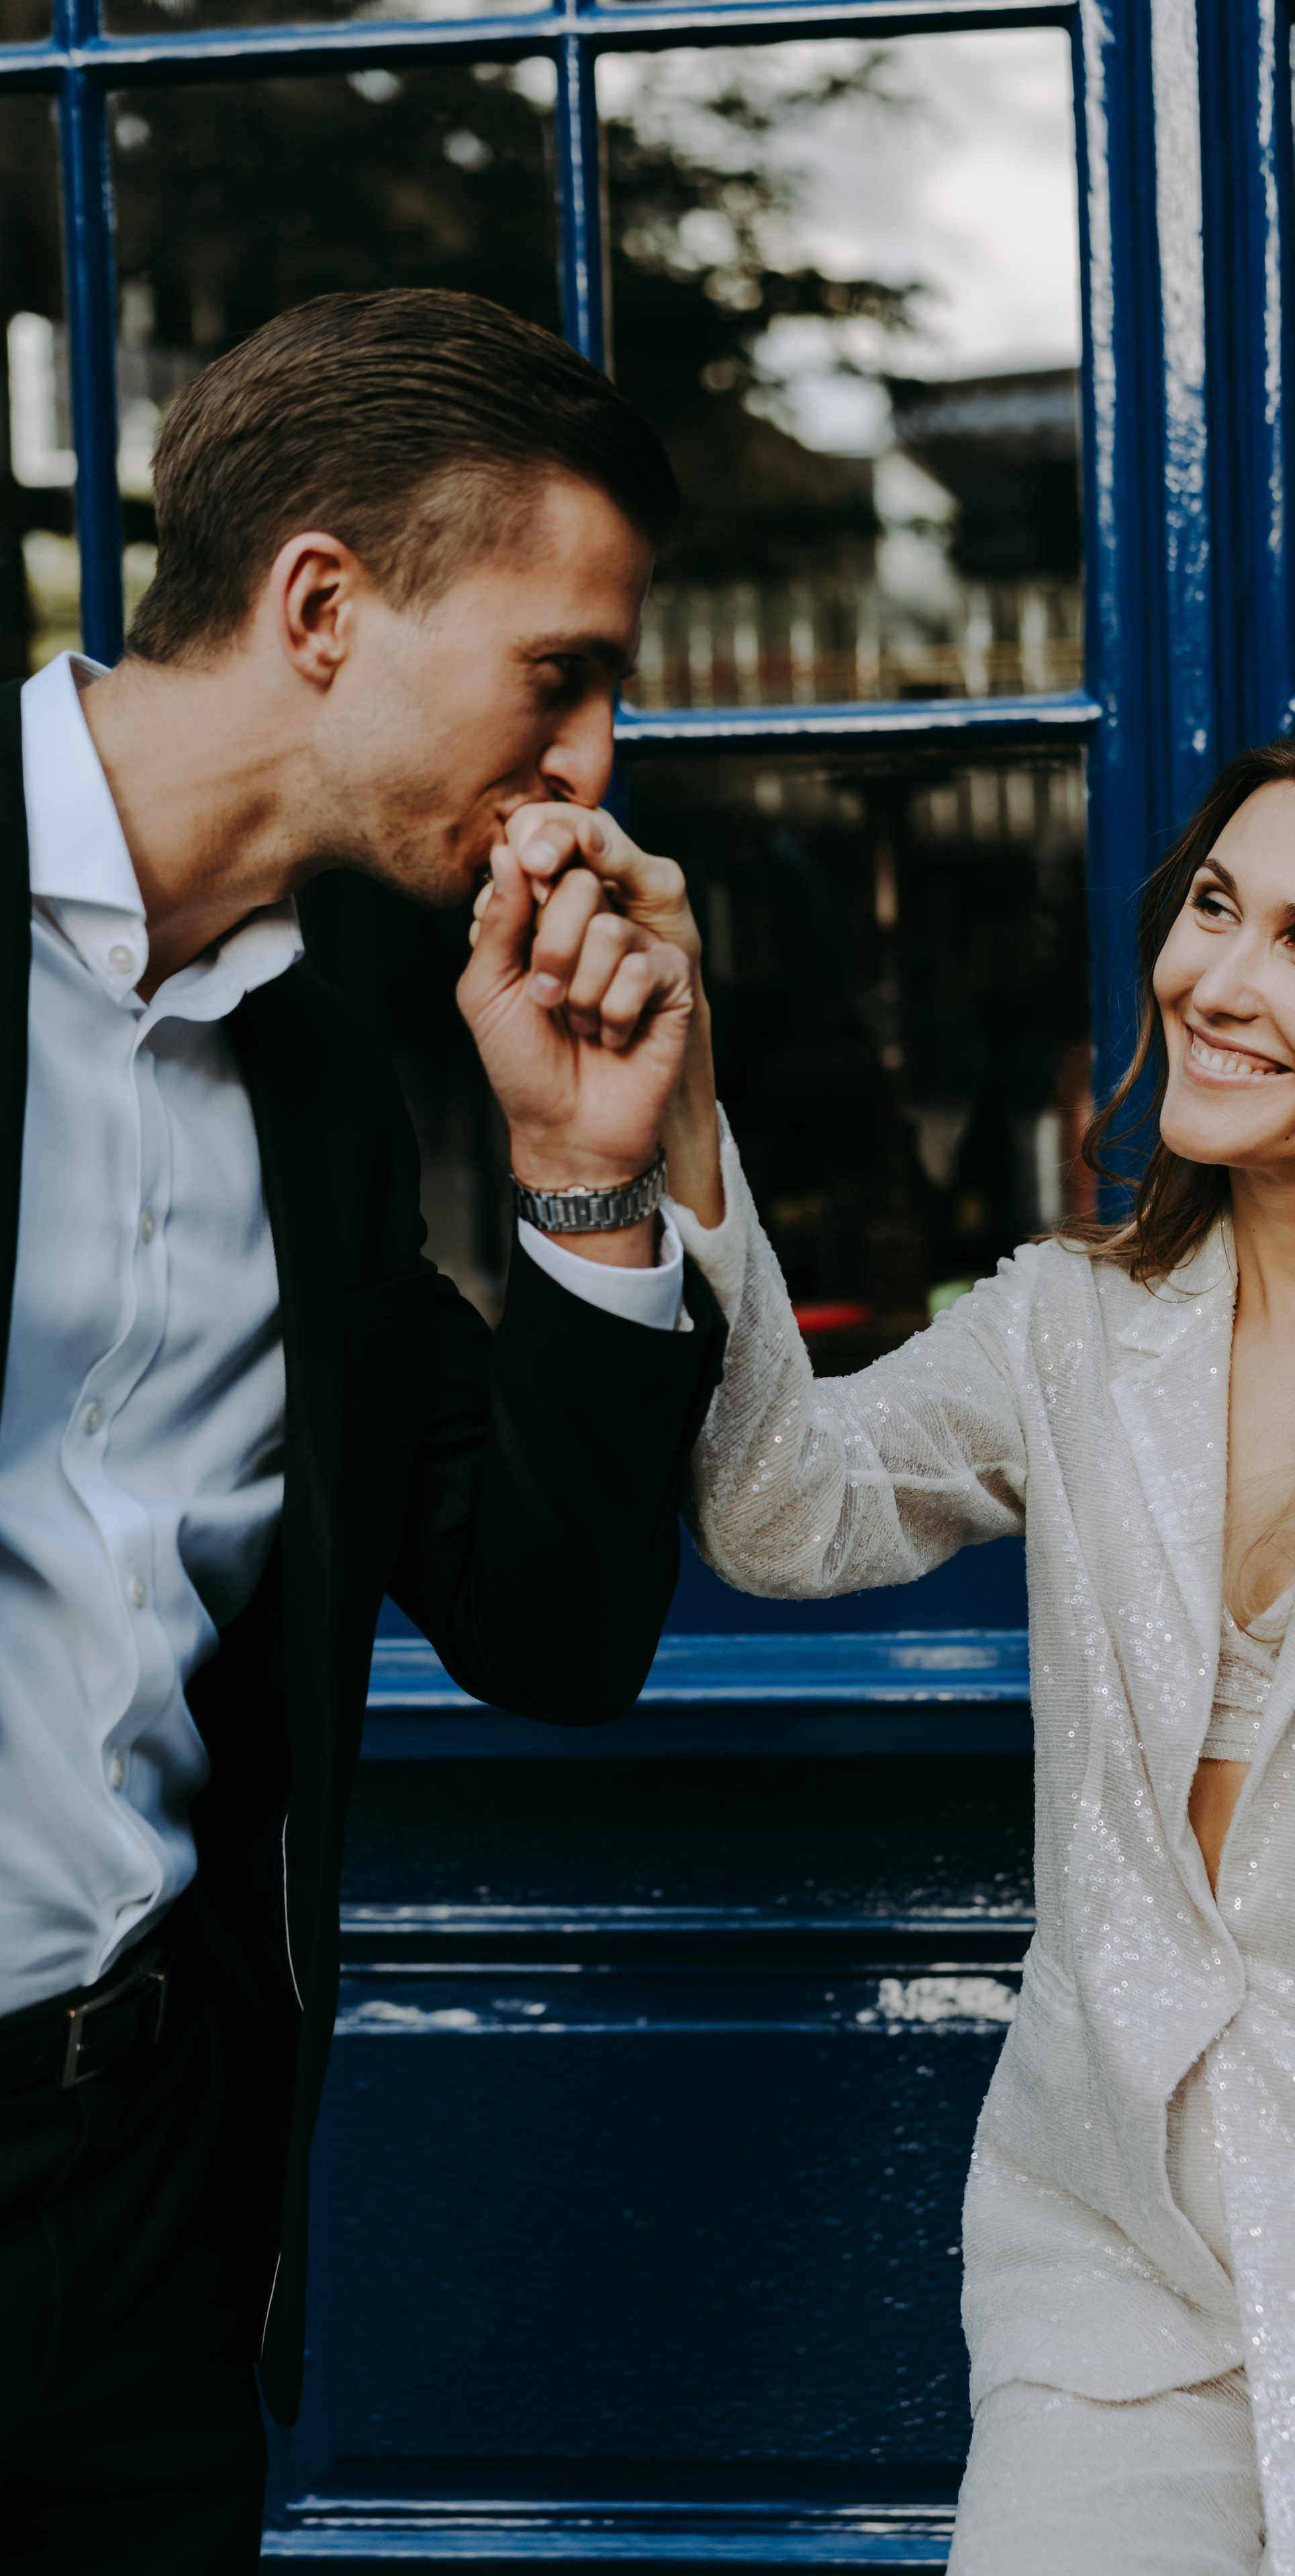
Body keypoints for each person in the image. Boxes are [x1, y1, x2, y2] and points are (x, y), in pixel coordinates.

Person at [575, 707, 1295, 2571]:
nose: (1218, 980)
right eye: (1214, 906)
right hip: (1115, 2267)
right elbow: (783, 1511)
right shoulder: (1072, 1328)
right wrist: (686, 1127)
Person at [0, 287, 724, 2574]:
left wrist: (584, 1172)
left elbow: (554, 1631)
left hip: (129, 2211)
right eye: (557, 673)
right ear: (324, 606)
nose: (589, 762)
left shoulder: (320, 1085)